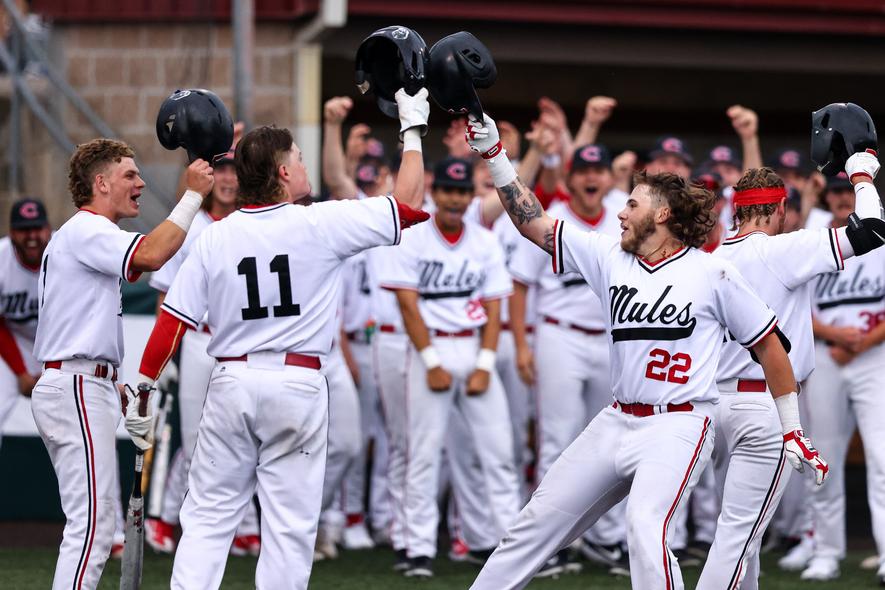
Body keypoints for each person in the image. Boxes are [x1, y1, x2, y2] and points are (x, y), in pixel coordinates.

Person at [463, 114, 827, 590]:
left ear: (662, 215)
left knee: (645, 526)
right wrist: (496, 155)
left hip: (679, 423)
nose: (620, 212)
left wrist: (791, 427)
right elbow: (532, 222)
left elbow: (770, 346)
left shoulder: (712, 272)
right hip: (616, 418)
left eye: (632, 204)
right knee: (533, 524)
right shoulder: (608, 256)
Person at [133, 88, 430, 590]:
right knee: (289, 530)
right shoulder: (320, 222)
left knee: (207, 518)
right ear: (283, 173)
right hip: (297, 382)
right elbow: (407, 204)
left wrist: (142, 384)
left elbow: (172, 320)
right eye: (298, 157)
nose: (304, 164)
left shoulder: (214, 235)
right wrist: (413, 127)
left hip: (232, 380)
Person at [31, 138, 215, 590]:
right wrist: (192, 196)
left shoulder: (85, 234)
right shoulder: (87, 228)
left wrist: (111, 383)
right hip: (75, 384)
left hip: (83, 382)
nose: (140, 183)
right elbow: (152, 254)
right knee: (93, 528)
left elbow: (80, 320)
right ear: (101, 183)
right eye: (129, 174)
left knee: (96, 524)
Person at [696, 156, 882, 589]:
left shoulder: (711, 258)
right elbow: (872, 229)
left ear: (737, 209)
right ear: (780, 208)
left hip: (714, 406)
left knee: (742, 536)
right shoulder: (782, 249)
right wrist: (861, 174)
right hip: (767, 406)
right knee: (738, 537)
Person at [378, 156, 521, 578]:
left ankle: (512, 546)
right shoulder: (414, 238)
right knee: (423, 455)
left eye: (462, 192)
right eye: (448, 191)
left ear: (470, 196)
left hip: (474, 348)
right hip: (431, 348)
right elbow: (408, 306)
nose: (455, 199)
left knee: (498, 454)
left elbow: (494, 309)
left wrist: (485, 364)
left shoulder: (484, 240)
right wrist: (431, 362)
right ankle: (417, 548)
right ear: (435, 193)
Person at [508, 143, 627, 574]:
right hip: (560, 334)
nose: (591, 177)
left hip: (611, 340)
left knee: (615, 443)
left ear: (608, 178)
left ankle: (607, 538)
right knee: (557, 440)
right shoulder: (551, 216)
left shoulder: (621, 217)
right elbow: (520, 284)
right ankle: (549, 543)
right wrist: (522, 345)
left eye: (599, 169)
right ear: (570, 178)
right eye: (583, 170)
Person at [144, 148, 262, 556]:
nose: (227, 179)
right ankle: (167, 518)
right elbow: (165, 296)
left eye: (233, 171)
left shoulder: (253, 223)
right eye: (221, 171)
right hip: (199, 339)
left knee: (240, 437)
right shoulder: (190, 225)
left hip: (241, 343)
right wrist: (167, 355)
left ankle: (241, 523)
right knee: (195, 440)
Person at [799, 155, 885, 584]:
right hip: (827, 357)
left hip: (874, 357)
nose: (841, 198)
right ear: (827, 198)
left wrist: (861, 342)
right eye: (834, 191)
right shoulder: (815, 242)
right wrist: (836, 335)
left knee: (882, 457)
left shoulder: (882, 240)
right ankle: (825, 552)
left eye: (847, 190)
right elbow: (795, 306)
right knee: (824, 458)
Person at [0, 198, 50, 444]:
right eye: (24, 229)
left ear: (49, 229)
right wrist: (21, 372)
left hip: (58, 346)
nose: (31, 236)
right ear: (11, 233)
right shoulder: (2, 259)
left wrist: (51, 368)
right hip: (13, 343)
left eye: (37, 228)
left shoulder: (65, 252)